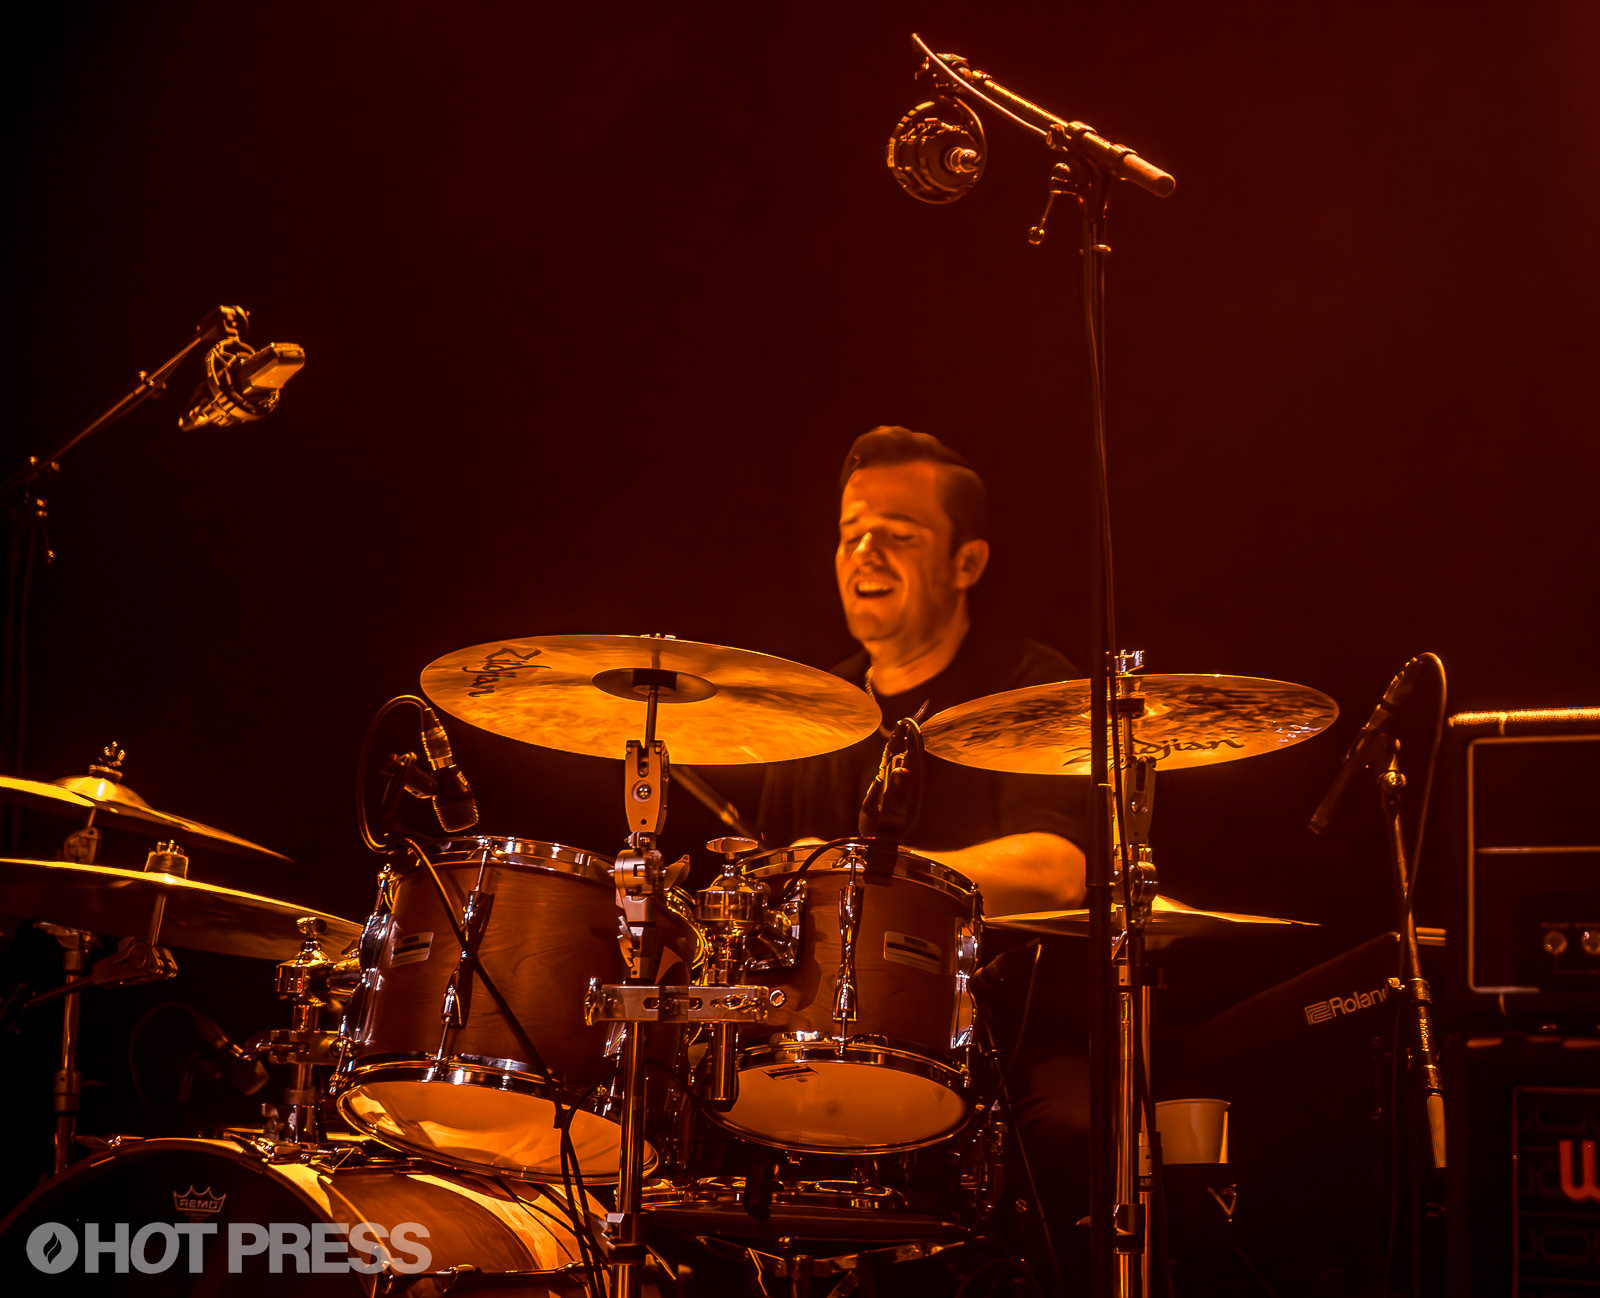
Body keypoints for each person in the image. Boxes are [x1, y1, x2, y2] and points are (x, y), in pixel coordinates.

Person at [756, 425, 1093, 1288]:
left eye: (898, 535)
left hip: (1014, 1043)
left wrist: (861, 873)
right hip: (823, 1043)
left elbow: (1057, 870)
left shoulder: (1028, 685)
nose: (864, 553)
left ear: (966, 562)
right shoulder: (810, 715)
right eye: (851, 533)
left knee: (1075, 1136)